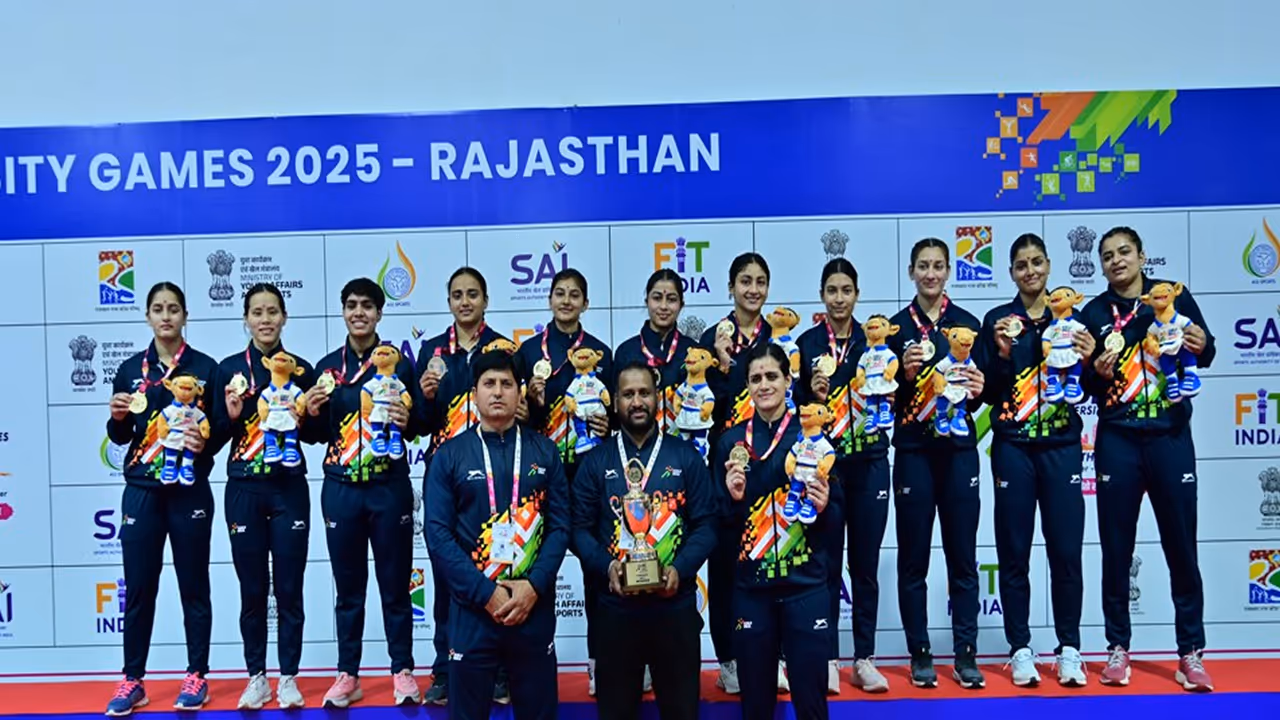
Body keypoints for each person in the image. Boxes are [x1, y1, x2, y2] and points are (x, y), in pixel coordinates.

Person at [1078, 226, 1216, 692]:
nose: (1116, 261)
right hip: (1117, 438)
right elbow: (1085, 386)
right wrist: (1095, 373)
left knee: (1182, 546)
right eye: (1108, 256)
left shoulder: (1171, 296)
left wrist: (1201, 341)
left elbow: (1207, 351)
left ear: (1141, 256)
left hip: (1169, 436)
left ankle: (1190, 653)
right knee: (1116, 549)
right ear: (1101, 266)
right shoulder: (1094, 313)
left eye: (1124, 253)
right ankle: (1118, 647)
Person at [425, 350, 570, 720]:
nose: (498, 392)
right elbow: (438, 535)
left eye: (507, 384)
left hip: (531, 608)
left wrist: (533, 586)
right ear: (474, 393)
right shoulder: (450, 455)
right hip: (473, 610)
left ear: (520, 392)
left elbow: (560, 527)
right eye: (489, 383)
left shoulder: (545, 451)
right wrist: (484, 593)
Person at [301, 278, 425, 708]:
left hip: (388, 488)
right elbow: (316, 435)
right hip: (341, 489)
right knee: (348, 589)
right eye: (352, 305)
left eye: (367, 306)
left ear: (379, 313)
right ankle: (347, 673)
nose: (359, 313)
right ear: (342, 310)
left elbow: (421, 424)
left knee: (395, 585)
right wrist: (312, 412)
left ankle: (402, 670)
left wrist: (409, 415)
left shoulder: (398, 364)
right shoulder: (327, 368)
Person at [974, 235, 1090, 687]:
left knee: (1066, 551)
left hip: (1061, 446)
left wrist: (1090, 356)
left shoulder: (1074, 318)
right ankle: (1020, 647)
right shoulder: (997, 322)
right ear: (1011, 273)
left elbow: (1093, 385)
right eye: (1020, 265)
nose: (1029, 271)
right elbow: (983, 393)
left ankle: (1070, 649)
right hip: (1013, 447)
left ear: (1048, 265)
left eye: (1036, 262)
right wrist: (1002, 357)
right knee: (1014, 551)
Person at [571, 361, 717, 720]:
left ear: (658, 398)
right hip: (615, 612)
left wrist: (680, 570)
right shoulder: (597, 460)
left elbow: (707, 525)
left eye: (644, 393)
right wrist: (607, 567)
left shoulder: (685, 456)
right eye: (628, 394)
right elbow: (578, 528)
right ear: (615, 401)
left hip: (675, 608)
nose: (637, 401)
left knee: (682, 712)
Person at [103, 282, 220, 716]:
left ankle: (197, 676)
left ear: (185, 315)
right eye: (157, 309)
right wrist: (115, 418)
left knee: (194, 585)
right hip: (142, 491)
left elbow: (218, 433)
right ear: (148, 317)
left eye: (173, 309)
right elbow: (120, 436)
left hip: (189, 489)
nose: (166, 316)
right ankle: (132, 680)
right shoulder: (132, 369)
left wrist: (202, 441)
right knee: (139, 589)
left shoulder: (206, 368)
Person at [886, 238, 987, 689]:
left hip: (959, 454)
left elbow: (984, 392)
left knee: (963, 559)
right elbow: (878, 401)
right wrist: (902, 377)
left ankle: (966, 653)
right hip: (913, 452)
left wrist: (982, 385)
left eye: (938, 266)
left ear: (949, 271)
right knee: (914, 560)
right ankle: (920, 652)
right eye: (923, 266)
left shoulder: (968, 324)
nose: (930, 273)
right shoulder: (892, 329)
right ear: (911, 272)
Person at [715, 343, 833, 720]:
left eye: (771, 376)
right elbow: (718, 521)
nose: (764, 385)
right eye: (755, 378)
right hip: (752, 590)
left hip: (806, 586)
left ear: (788, 380)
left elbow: (840, 514)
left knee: (812, 706)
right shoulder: (729, 442)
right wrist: (733, 501)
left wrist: (827, 504)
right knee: (756, 708)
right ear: (746, 385)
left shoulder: (812, 435)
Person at [212, 283, 316, 709]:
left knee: (290, 588)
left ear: (284, 318)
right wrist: (231, 417)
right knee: (252, 589)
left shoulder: (303, 370)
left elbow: (321, 435)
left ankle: (288, 677)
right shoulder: (229, 370)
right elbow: (213, 436)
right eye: (257, 312)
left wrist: (305, 416)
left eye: (273, 311)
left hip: (289, 488)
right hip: (244, 488)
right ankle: (256, 676)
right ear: (246, 319)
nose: (266, 319)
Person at [415, 267, 513, 706]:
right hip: (447, 473)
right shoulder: (431, 351)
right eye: (457, 295)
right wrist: (425, 397)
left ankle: (500, 672)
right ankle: (443, 668)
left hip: (498, 473)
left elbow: (520, 407)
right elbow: (419, 423)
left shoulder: (504, 348)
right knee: (447, 575)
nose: (465, 302)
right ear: (449, 301)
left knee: (501, 569)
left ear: (486, 299)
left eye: (473, 294)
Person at [517, 267, 612, 691]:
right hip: (543, 474)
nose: (567, 301)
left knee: (596, 571)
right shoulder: (527, 352)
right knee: (541, 570)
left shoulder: (601, 352)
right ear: (550, 299)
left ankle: (601, 660)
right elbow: (519, 415)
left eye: (575, 294)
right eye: (560, 293)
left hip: (590, 474)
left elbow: (615, 414)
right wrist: (532, 405)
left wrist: (607, 424)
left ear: (586, 303)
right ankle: (536, 661)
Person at [793, 259, 884, 694]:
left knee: (864, 566)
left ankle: (864, 658)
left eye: (847, 289)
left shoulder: (875, 340)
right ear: (822, 295)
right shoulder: (808, 342)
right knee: (825, 566)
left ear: (857, 294)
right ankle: (825, 656)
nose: (839, 298)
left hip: (868, 463)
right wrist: (810, 393)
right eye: (832, 289)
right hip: (823, 471)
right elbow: (793, 408)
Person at [698, 252, 780, 694]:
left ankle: (774, 655)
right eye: (744, 281)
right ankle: (728, 659)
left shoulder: (778, 338)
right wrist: (725, 365)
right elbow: (703, 408)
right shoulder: (713, 339)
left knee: (775, 560)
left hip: (773, 469)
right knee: (726, 567)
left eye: (760, 281)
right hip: (726, 469)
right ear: (730, 287)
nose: (753, 289)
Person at [613, 269, 692, 440]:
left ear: (681, 304)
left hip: (684, 450)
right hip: (637, 448)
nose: (663, 306)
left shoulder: (693, 352)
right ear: (646, 301)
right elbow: (616, 412)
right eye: (657, 298)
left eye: (671, 299)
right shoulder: (626, 352)